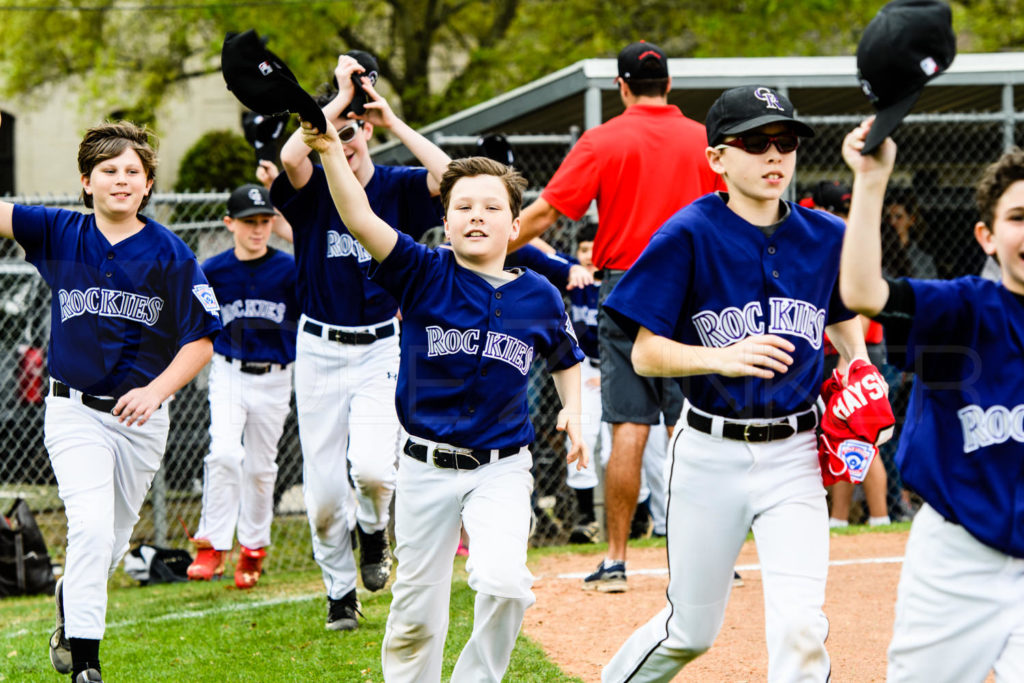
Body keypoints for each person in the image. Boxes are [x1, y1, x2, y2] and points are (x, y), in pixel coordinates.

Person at [300, 114, 586, 681]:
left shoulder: (540, 295)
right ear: (446, 222)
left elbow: (566, 359)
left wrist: (573, 409)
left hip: (502, 467)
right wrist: (331, 152)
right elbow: (358, 216)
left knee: (505, 582)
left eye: (491, 207)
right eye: (462, 207)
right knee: (413, 620)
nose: (476, 215)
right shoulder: (421, 271)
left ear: (514, 226)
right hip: (424, 467)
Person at [600, 85, 869, 681]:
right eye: (754, 142)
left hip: (796, 454)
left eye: (786, 141)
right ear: (718, 158)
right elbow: (645, 355)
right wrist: (719, 357)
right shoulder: (687, 233)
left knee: (801, 626)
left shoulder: (825, 237)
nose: (775, 155)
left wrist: (856, 365)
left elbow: (845, 321)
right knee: (689, 633)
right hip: (710, 453)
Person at [0, 117, 221, 683]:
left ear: (148, 184)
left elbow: (200, 340)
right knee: (92, 530)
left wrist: (155, 390)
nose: (121, 179)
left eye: (133, 171)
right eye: (108, 170)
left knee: (111, 544)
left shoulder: (170, 253)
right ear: (85, 181)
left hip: (140, 418)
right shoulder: (59, 232)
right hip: (72, 409)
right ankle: (87, 665)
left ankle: (69, 602)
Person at [511, 40, 723, 591]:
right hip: (693, 286)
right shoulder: (705, 139)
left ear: (622, 87)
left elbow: (547, 212)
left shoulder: (604, 139)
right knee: (693, 426)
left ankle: (617, 561)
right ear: (669, 85)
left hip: (627, 285)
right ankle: (712, 559)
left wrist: (495, 241)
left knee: (629, 426)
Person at [270, 52, 449, 630]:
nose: (341, 142)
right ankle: (339, 593)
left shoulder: (396, 187)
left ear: (367, 131)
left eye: (351, 132)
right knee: (322, 498)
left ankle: (374, 533)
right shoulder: (312, 184)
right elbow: (291, 154)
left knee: (374, 470)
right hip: (318, 349)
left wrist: (393, 122)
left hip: (380, 346)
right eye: (333, 132)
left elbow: (450, 177)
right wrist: (336, 105)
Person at [841, 119, 1024, 681]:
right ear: (987, 238)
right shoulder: (963, 309)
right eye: (1017, 217)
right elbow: (862, 293)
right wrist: (871, 182)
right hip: (956, 557)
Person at [186, 184, 297, 588]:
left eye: (265, 221)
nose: (258, 230)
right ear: (229, 223)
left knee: (261, 467)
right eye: (249, 222)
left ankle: (252, 550)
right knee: (226, 454)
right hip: (228, 371)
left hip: (275, 376)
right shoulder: (213, 270)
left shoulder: (289, 269)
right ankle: (213, 544)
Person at [811, 180, 892, 528]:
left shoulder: (839, 235)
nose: (843, 215)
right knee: (841, 431)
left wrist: (850, 363)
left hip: (858, 348)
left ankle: (879, 517)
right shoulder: (837, 231)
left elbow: (854, 300)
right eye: (839, 209)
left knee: (859, 430)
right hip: (848, 346)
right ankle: (841, 518)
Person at [883, 190, 938, 280]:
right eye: (888, 217)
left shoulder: (923, 260)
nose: (892, 222)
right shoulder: (878, 255)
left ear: (911, 220)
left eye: (898, 217)